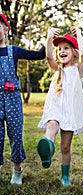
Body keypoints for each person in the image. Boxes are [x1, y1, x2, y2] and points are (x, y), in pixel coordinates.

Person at [37, 26, 83, 187]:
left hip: (70, 112)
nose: (62, 51)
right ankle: (47, 148)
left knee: (65, 147)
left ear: (73, 51)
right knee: (51, 126)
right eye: (59, 48)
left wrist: (79, 34)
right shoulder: (57, 69)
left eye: (66, 48)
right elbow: (48, 56)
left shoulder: (78, 70)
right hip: (55, 109)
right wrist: (48, 38)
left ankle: (65, 176)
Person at [0, 13, 45, 185]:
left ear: (5, 29)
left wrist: (47, 39)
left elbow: (38, 55)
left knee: (15, 136)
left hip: (12, 99)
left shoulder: (14, 51)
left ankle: (17, 171)